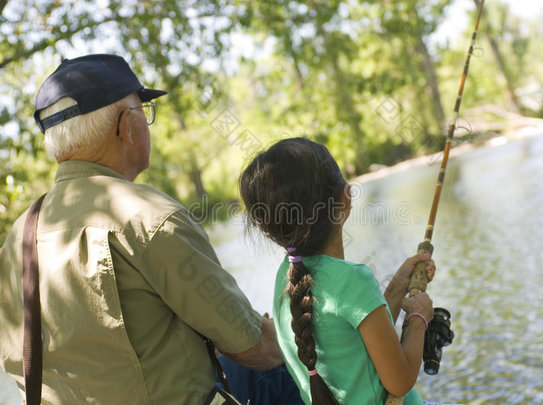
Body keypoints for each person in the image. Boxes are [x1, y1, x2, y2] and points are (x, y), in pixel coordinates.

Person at [0, 54, 285, 404]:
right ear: (126, 124)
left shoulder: (17, 239)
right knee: (284, 367)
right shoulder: (147, 215)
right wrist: (300, 333)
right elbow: (252, 346)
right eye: (143, 111)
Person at [239, 137, 436, 405]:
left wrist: (398, 285)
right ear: (345, 198)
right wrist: (418, 318)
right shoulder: (354, 279)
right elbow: (399, 379)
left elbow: (358, 344)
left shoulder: (284, 280)